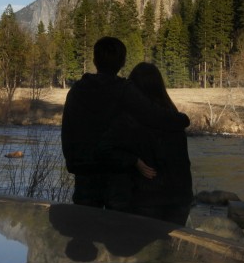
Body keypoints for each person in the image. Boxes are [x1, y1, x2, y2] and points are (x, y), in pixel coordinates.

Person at [61, 37, 190, 210]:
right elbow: (154, 115)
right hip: (116, 177)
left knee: (86, 228)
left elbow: (68, 135)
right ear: (122, 63)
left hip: (84, 176)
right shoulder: (123, 90)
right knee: (118, 230)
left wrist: (75, 163)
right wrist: (183, 119)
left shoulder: (76, 91)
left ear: (94, 60)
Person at [119, 62, 193, 225]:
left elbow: (117, 150)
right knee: (170, 247)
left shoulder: (131, 118)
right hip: (180, 197)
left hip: (147, 196)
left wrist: (133, 161)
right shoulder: (173, 116)